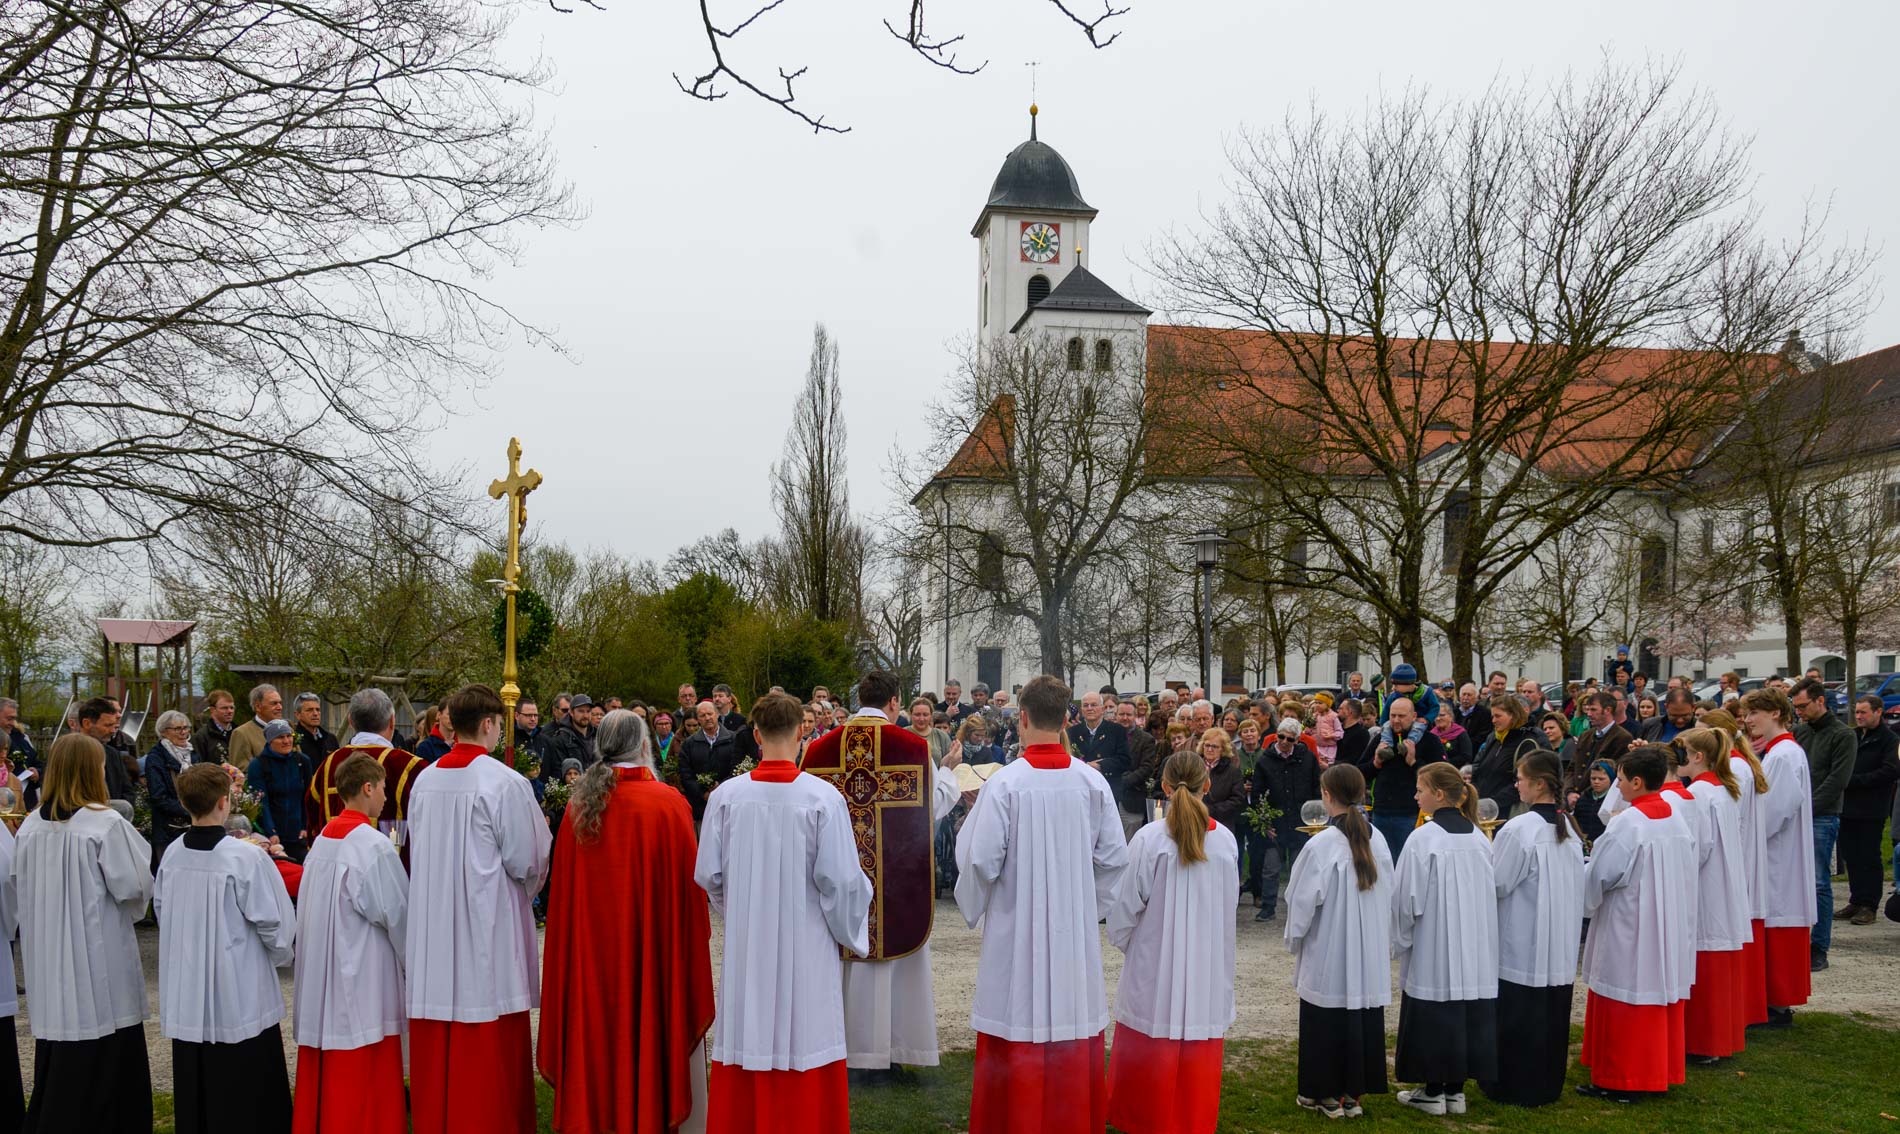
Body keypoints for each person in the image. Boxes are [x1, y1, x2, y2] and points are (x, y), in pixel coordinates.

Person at [955, 674, 1129, 1134]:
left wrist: (981, 900)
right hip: (1072, 938)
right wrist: (1080, 907)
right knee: (1070, 1022)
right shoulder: (1092, 783)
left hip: (1018, 932)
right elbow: (1115, 859)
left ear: (1024, 717)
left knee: (1017, 1017)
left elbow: (981, 862)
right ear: (1068, 719)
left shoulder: (1006, 784)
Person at [695, 691, 872, 1134]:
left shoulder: (726, 798)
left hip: (749, 945)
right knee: (806, 1033)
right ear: (801, 733)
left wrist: (743, 911)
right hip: (806, 945)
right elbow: (842, 884)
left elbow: (710, 875)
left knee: (750, 1031)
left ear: (755, 734)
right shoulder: (822, 798)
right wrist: (847, 929)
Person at [539, 710, 714, 1134]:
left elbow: (561, 903)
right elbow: (692, 902)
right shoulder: (670, 805)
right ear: (643, 747)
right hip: (653, 962)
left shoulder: (579, 807)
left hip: (592, 968)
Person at [405, 684, 553, 1134]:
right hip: (486, 923)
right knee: (489, 1026)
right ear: (489, 723)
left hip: (434, 923)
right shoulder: (504, 782)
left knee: (442, 1029)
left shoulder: (425, 780)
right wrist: (525, 893)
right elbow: (527, 858)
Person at [802, 671, 961, 1076]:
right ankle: (889, 1052)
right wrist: (947, 772)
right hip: (895, 876)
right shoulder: (911, 747)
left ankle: (841, 1050)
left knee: (846, 961)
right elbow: (933, 809)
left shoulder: (820, 749)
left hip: (841, 878)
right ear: (895, 701)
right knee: (892, 963)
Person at [13, 733, 153, 1132]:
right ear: (95, 771)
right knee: (103, 1040)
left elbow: (15, 882)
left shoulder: (30, 825)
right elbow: (134, 888)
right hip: (97, 954)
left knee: (60, 1049)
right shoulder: (104, 822)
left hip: (48, 955)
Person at [154, 763, 296, 1134]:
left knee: (197, 1074)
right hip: (238, 986)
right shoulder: (245, 856)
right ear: (225, 802)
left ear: (186, 805)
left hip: (189, 985)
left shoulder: (172, 854)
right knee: (246, 1083)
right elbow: (274, 921)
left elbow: (162, 909)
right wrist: (281, 955)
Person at [1104, 749, 1239, 1134]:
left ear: (1163, 787)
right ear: (1207, 785)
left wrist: (1130, 943)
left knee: (1152, 1028)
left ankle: (1142, 1118)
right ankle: (1190, 1119)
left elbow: (1124, 904)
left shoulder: (1150, 839)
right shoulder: (1225, 842)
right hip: (1206, 959)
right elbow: (1228, 904)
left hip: (1155, 957)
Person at [293, 752, 410, 1134]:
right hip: (361, 973)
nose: (385, 799)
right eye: (383, 790)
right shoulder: (372, 845)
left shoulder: (324, 839)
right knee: (363, 1055)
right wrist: (415, 962)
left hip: (324, 971)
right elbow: (397, 914)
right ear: (368, 787)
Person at [1576, 746, 1698, 1102]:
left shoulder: (1629, 821)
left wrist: (1584, 885)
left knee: (1624, 989)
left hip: (1630, 920)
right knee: (1653, 989)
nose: (1617, 785)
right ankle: (1656, 1070)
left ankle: (1622, 1078)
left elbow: (1603, 873)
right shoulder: (1674, 816)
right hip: (1664, 918)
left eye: (1620, 779)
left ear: (1636, 781)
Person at [1285, 763, 1393, 1120]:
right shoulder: (1377, 838)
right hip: (1366, 951)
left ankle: (1324, 1093)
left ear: (1326, 796)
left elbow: (1300, 899)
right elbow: (1389, 892)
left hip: (1330, 949)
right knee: (1359, 1016)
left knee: (1325, 1019)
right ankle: (1352, 1092)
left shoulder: (1323, 844)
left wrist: (1295, 937)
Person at [1391, 762, 1498, 1116]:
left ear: (1438, 795)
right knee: (1464, 1013)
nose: (1415, 795)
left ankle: (1433, 1090)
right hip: (1474, 944)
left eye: (1420, 789)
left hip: (1434, 941)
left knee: (1435, 1012)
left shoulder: (1425, 838)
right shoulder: (1479, 837)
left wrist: (1400, 938)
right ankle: (1456, 1091)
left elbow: (1406, 897)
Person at [1479, 751, 1584, 1108]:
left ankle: (1510, 1085)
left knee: (1519, 1016)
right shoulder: (1568, 827)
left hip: (1522, 940)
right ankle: (1545, 1084)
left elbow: (1499, 883)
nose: (1516, 784)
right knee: (1550, 1016)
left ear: (1539, 784)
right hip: (1557, 942)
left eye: (1520, 778)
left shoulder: (1520, 828)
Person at [1674, 728, 1752, 1065]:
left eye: (1684, 753)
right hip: (1726, 884)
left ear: (1697, 757)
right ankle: (1720, 1039)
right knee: (1719, 963)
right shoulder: (1723, 789)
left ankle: (1704, 1043)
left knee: (1706, 962)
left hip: (1707, 887)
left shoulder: (1700, 794)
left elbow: (1700, 846)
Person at [1738, 688, 1814, 1025]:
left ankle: (1777, 1001)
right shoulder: (1780, 752)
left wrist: (1745, 833)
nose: (1749, 720)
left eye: (1755, 713)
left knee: (1776, 917)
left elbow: (1773, 811)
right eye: (1747, 714)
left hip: (1777, 855)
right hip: (1776, 852)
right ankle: (1773, 1000)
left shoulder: (1783, 755)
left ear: (1777, 714)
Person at [303, 688, 428, 865]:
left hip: (335, 865)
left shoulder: (329, 764)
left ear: (350, 721)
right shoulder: (411, 766)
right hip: (394, 869)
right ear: (392, 721)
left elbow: (312, 816)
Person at [1703, 708, 1772, 1029]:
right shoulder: (1739, 765)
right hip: (1738, 858)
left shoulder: (1735, 768)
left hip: (1735, 861)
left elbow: (1735, 822)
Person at [1790, 677, 1852, 970]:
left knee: (1818, 883)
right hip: (1796, 814)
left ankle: (1819, 946)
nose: (1799, 711)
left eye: (1803, 706)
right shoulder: (1800, 733)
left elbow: (1837, 781)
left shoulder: (1842, 735)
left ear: (1820, 701)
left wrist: (1805, 808)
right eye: (1796, 707)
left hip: (1822, 816)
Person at [1252, 717, 1322, 920]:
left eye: (1289, 739)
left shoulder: (1307, 758)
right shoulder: (1265, 761)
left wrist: (1315, 818)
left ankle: (1301, 908)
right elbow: (1257, 795)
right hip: (1276, 822)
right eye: (1280, 737)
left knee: (1300, 870)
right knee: (1271, 868)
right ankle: (1268, 906)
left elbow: (1315, 788)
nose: (1283, 742)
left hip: (1302, 821)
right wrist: (1265, 823)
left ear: (1297, 740)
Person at [1839, 694, 1899, 924]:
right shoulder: (1853, 736)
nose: (1859, 716)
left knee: (1869, 856)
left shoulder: (1889, 740)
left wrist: (1855, 780)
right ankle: (1856, 899)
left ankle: (1869, 904)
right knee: (1852, 856)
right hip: (1848, 807)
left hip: (1872, 807)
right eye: (1857, 712)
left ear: (1878, 712)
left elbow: (1889, 771)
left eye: (1864, 712)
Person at [1363, 697, 1446, 862]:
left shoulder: (1429, 741)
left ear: (1414, 716)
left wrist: (1414, 763)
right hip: (1381, 812)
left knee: (1409, 863)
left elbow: (1441, 777)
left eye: (1401, 716)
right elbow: (1360, 773)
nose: (1395, 720)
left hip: (1413, 813)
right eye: (1392, 715)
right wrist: (1376, 763)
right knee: (1381, 862)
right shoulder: (1381, 740)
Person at [1069, 691, 1137, 838]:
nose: (1089, 708)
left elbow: (1125, 760)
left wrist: (1101, 765)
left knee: (1106, 836)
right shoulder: (1072, 732)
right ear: (1081, 710)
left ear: (1102, 709)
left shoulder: (1116, 731)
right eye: (1085, 705)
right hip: (1081, 791)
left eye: (1094, 705)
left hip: (1108, 789)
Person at [248, 719, 311, 860]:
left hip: (298, 835)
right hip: (273, 836)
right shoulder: (258, 765)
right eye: (280, 737)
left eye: (289, 736)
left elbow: (307, 797)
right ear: (270, 740)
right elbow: (261, 802)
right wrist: (271, 831)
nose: (287, 741)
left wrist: (305, 826)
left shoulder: (302, 762)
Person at [1470, 694, 1540, 817]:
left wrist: (1494, 802)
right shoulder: (1494, 738)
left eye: (1498, 716)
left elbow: (1522, 782)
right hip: (1485, 810)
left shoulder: (1527, 742)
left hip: (1509, 812)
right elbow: (1479, 768)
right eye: (1492, 716)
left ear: (1513, 715)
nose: (1493, 720)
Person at [143, 709, 196, 868]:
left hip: (192, 825)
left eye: (186, 728)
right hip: (168, 830)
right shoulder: (156, 758)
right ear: (164, 732)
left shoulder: (192, 754)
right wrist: (192, 811)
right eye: (178, 729)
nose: (183, 732)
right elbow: (159, 797)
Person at [678, 701, 737, 823]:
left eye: (710, 714)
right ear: (698, 719)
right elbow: (685, 774)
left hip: (729, 804)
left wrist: (721, 787)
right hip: (700, 809)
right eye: (702, 715)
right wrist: (703, 793)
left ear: (717, 715)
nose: (707, 718)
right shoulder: (689, 744)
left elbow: (737, 769)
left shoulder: (733, 739)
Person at [230, 683, 285, 770]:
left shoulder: (288, 729)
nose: (280, 707)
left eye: (280, 703)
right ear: (258, 707)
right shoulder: (242, 733)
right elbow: (241, 771)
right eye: (274, 703)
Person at [1572, 760, 1616, 844]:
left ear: (1611, 778)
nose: (1596, 782)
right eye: (1593, 778)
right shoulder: (1583, 799)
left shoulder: (1614, 801)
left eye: (1601, 779)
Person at [192, 690, 238, 767]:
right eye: (224, 708)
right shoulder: (201, 737)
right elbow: (198, 768)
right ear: (212, 710)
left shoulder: (239, 733)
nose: (230, 711)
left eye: (232, 707)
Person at [1433, 702, 1472, 766]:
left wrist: (1445, 763)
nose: (1438, 718)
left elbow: (1466, 756)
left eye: (1442, 715)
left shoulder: (1460, 732)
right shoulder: (1432, 735)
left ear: (1451, 717)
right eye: (1436, 715)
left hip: (1455, 770)